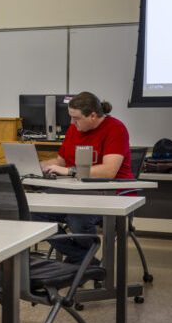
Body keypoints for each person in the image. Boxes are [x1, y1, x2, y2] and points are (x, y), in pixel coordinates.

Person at [38, 91, 132, 263]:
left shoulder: (116, 128)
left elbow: (108, 171)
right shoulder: (75, 129)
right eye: (70, 117)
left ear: (93, 116)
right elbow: (61, 161)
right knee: (33, 213)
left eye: (76, 118)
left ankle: (81, 264)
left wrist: (69, 171)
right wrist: (40, 165)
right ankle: (86, 262)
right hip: (76, 190)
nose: (72, 123)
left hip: (111, 191)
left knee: (77, 216)